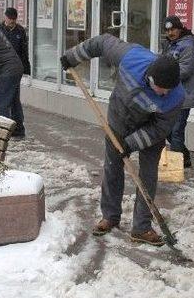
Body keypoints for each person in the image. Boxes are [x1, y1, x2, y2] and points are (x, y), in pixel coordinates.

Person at [60, 34, 185, 246]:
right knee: (112, 166)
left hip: (151, 130)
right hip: (119, 118)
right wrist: (73, 56)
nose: (164, 94)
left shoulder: (175, 96)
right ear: (151, 78)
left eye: (168, 90)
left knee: (147, 175)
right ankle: (110, 216)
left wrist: (131, 144)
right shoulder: (131, 58)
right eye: (161, 89)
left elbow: (160, 128)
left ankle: (142, 227)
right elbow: (100, 43)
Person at [160, 15, 194, 168]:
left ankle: (175, 167)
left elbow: (184, 71)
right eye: (167, 30)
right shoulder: (171, 44)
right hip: (172, 94)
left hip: (185, 95)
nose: (170, 33)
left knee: (177, 130)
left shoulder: (187, 46)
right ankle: (184, 158)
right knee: (168, 130)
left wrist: (162, 77)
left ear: (180, 29)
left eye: (173, 29)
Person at [0, 7, 31, 75]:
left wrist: (26, 69)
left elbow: (24, 51)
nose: (12, 21)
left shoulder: (20, 30)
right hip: (1, 65)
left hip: (15, 65)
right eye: (10, 18)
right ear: (5, 17)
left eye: (14, 19)